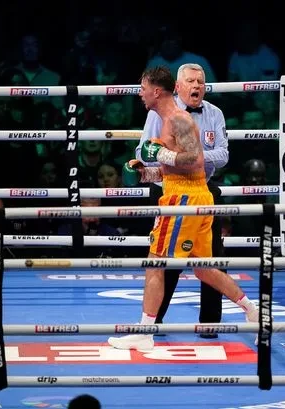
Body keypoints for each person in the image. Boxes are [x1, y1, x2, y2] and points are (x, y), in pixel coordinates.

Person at [108, 66, 258, 351]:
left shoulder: (179, 120)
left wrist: (161, 153)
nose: (139, 94)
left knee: (155, 264)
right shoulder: (165, 120)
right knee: (204, 269)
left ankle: (144, 332)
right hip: (193, 196)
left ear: (156, 91)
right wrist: (146, 171)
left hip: (183, 201)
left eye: (143, 88)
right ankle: (252, 310)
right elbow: (172, 170)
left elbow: (196, 161)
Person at [135, 63, 229, 338]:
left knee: (210, 257)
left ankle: (210, 322)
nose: (197, 86)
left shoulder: (214, 114)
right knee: (166, 258)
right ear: (178, 86)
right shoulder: (163, 112)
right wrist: (173, 159)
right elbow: (143, 150)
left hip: (203, 188)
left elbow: (222, 155)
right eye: (190, 81)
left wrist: (188, 158)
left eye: (200, 81)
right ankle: (154, 321)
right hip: (169, 188)